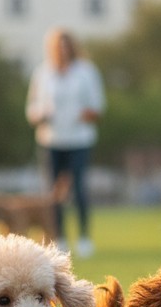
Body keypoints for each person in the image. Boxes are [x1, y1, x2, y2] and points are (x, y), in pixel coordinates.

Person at [25, 28, 105, 258]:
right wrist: (41, 114)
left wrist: (87, 114)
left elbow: (98, 105)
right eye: (57, 46)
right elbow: (31, 108)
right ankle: (56, 238)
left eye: (65, 45)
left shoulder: (87, 72)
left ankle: (83, 237)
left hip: (79, 138)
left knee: (79, 188)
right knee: (52, 193)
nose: (62, 50)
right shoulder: (43, 73)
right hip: (51, 139)